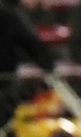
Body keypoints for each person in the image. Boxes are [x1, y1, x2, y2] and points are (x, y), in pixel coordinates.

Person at [0, 0, 55, 129]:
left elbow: (32, 43)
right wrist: (49, 66)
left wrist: (48, 65)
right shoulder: (8, 14)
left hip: (4, 81)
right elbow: (32, 43)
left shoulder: (7, 15)